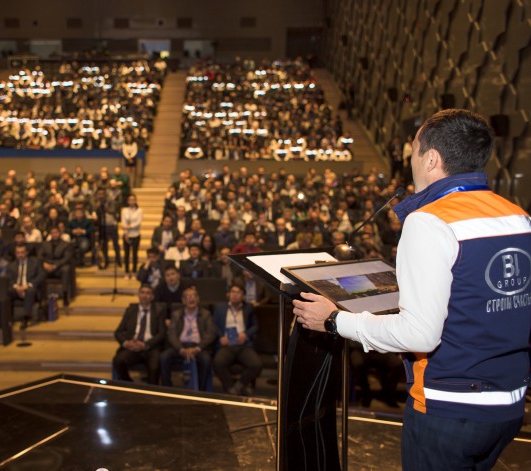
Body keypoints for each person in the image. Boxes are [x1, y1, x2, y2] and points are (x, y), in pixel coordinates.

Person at [292, 109, 531, 470]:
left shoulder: (429, 221)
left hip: (450, 406)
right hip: (509, 403)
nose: (410, 160)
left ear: (431, 158)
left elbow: (420, 334)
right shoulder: (516, 215)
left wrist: (334, 320)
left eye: (414, 150)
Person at [160, 286, 216, 391]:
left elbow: (211, 334)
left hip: (198, 346)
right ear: (183, 300)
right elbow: (172, 334)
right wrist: (181, 349)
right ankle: (167, 388)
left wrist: (197, 348)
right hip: (180, 346)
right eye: (188, 296)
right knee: (164, 356)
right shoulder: (176, 314)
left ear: (198, 299)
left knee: (206, 359)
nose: (191, 299)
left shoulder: (206, 314)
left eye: (194, 296)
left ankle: (201, 389)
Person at [213, 283, 262, 396]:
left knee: (256, 365)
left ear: (243, 296)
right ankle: (230, 388)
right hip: (227, 345)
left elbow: (255, 326)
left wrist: (246, 334)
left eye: (238, 292)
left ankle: (237, 387)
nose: (235, 295)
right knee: (218, 363)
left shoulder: (249, 308)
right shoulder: (219, 307)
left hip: (243, 345)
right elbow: (214, 325)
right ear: (228, 294)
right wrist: (221, 337)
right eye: (232, 292)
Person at [112, 284, 166, 385]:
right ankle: (129, 384)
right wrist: (127, 343)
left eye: (148, 293)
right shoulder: (131, 310)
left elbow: (161, 334)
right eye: (142, 292)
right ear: (138, 295)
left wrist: (145, 345)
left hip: (150, 347)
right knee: (118, 361)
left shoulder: (159, 310)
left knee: (155, 367)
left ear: (152, 297)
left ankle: (150, 391)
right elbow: (118, 332)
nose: (145, 296)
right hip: (133, 346)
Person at [7, 244, 45, 329]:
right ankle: (9, 318)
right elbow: (9, 279)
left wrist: (28, 285)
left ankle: (25, 318)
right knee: (7, 292)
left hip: (30, 288)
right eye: (18, 253)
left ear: (26, 253)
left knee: (30, 291)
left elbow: (41, 275)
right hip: (16, 289)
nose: (20, 255)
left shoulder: (35, 263)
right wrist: (16, 287)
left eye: (22, 252)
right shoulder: (11, 265)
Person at [121, 194, 142, 277]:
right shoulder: (124, 210)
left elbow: (138, 222)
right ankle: (126, 271)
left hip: (136, 234)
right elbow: (123, 222)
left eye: (133, 199)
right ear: (128, 201)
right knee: (126, 254)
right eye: (130, 199)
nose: (131, 201)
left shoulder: (139, 210)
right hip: (126, 234)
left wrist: (129, 226)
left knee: (134, 254)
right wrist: (126, 232)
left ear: (136, 201)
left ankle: (134, 271)